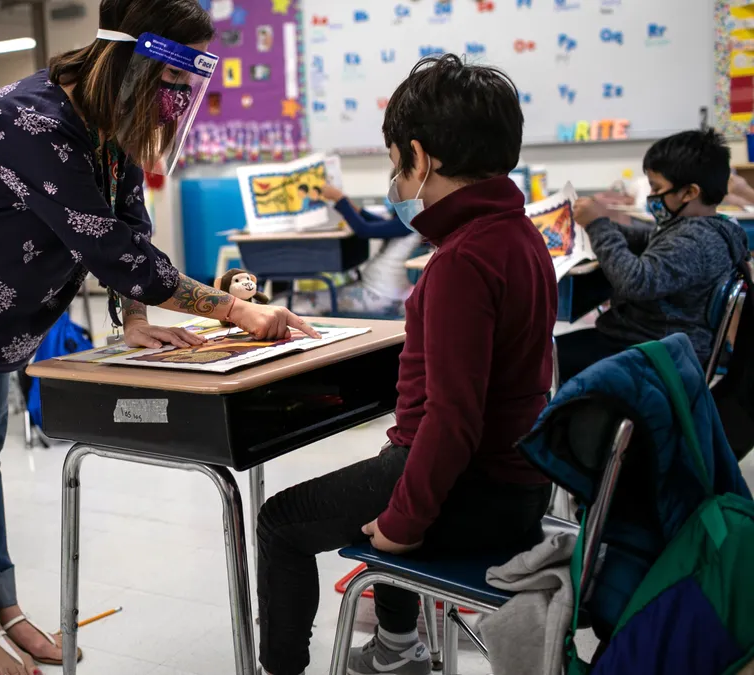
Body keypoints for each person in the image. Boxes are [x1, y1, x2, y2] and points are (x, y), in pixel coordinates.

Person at [0, 1, 315, 673]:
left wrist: (138, 316)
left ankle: (2, 607)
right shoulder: (29, 122)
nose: (176, 101)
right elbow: (110, 250)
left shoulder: (104, 121)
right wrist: (234, 314)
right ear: (137, 65)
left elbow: (127, 226)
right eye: (172, 83)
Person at [256, 54, 556, 675]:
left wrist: (401, 524)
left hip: (476, 490)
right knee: (391, 471)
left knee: (281, 521)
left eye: (395, 164)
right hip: (518, 483)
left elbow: (452, 423)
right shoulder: (521, 236)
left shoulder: (459, 262)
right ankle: (396, 648)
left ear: (419, 158)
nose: (396, 180)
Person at [559, 129, 749, 382]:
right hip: (651, 341)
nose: (650, 195)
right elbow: (648, 238)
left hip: (653, 353)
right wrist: (603, 223)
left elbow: (636, 281)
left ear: (690, 192)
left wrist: (599, 226)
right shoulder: (705, 228)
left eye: (656, 187)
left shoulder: (694, 241)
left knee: (541, 359)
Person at [289, 182, 422, 318]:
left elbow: (364, 229)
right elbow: (378, 223)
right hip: (380, 294)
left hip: (377, 296)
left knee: (300, 303)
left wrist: (339, 198)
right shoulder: (412, 220)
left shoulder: (410, 222)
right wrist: (351, 206)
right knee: (306, 299)